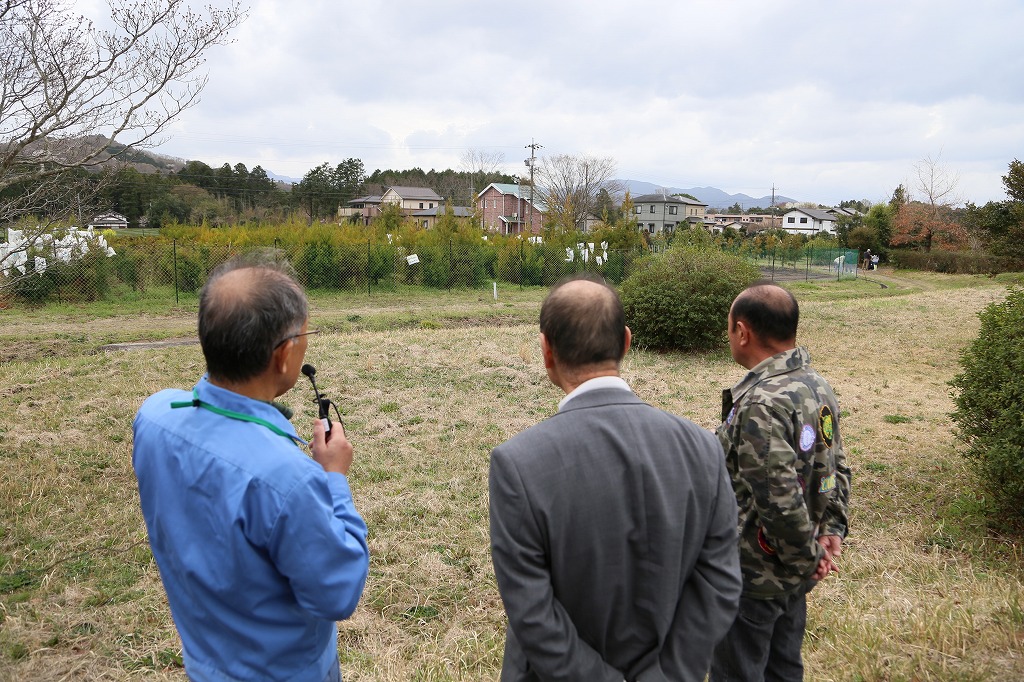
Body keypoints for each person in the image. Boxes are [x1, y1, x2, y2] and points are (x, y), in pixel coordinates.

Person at [489, 274, 742, 682]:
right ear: (626, 342)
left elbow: (531, 611)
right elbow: (720, 581)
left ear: (546, 351)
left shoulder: (518, 464)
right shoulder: (703, 448)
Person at [132, 254, 369, 682]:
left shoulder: (153, 416)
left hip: (204, 663)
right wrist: (334, 476)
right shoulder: (286, 480)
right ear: (283, 355)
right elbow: (338, 592)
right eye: (304, 335)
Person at [710, 283, 851, 682]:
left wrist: (810, 559)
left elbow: (778, 497)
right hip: (794, 567)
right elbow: (836, 464)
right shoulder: (816, 385)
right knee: (783, 667)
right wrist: (831, 532)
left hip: (755, 574)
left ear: (742, 331)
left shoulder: (761, 402)